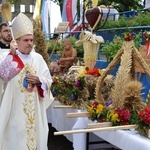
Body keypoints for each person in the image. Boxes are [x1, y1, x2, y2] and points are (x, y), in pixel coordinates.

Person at [0, 13, 53, 150]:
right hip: (14, 110)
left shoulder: (38, 58)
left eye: (31, 40)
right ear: (16, 41)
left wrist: (39, 80)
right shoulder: (6, 56)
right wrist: (12, 56)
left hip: (34, 110)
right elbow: (3, 77)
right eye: (26, 40)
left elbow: (49, 80)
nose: (30, 43)